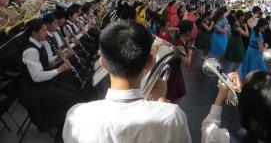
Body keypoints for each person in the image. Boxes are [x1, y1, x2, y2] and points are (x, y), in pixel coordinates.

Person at [63, 20, 191, 143]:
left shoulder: (76, 115)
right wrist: (161, 101)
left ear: (102, 63)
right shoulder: (173, 116)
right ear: (150, 62)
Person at [18, 19, 86, 141]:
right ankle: (62, 132)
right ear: (34, 33)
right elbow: (37, 77)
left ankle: (67, 122)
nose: (46, 32)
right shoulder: (30, 50)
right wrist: (59, 70)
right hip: (34, 89)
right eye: (43, 30)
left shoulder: (39, 43)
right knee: (69, 97)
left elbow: (46, 63)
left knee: (71, 88)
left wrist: (58, 58)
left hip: (42, 82)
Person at [202, 71, 271, 143]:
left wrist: (220, 98)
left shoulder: (227, 138)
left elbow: (207, 132)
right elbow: (269, 105)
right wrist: (245, 90)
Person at [166, 20, 193, 103]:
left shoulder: (184, 40)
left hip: (176, 69)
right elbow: (187, 63)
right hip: (173, 71)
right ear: (187, 32)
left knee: (179, 94)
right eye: (192, 30)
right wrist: (190, 53)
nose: (193, 31)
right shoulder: (179, 45)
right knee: (176, 95)